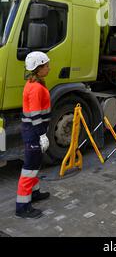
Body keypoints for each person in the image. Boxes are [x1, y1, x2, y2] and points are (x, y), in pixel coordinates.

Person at [15, 52, 51, 219]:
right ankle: (22, 207)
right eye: (46, 66)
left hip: (31, 131)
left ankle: (34, 193)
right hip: (33, 132)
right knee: (29, 168)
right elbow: (36, 116)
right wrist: (42, 135)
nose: (49, 68)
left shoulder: (33, 83)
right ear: (38, 69)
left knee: (35, 164)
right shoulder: (36, 88)